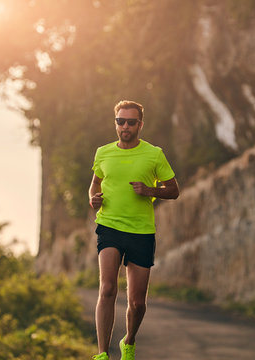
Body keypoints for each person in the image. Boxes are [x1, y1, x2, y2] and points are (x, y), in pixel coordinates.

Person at [89, 100, 179, 360]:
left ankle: (128, 341)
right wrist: (93, 198)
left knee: (137, 303)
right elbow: (94, 184)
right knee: (107, 288)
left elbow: (174, 190)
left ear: (140, 124)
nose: (125, 126)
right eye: (120, 121)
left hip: (141, 231)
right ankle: (102, 354)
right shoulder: (103, 152)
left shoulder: (154, 154)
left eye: (130, 122)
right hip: (109, 226)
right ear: (115, 123)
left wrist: (149, 191)